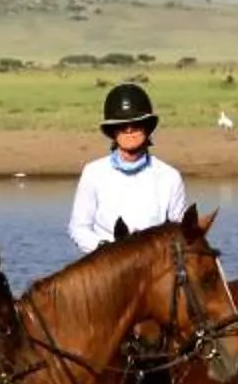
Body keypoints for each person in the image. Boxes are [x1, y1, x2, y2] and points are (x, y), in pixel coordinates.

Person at [67, 81, 191, 254]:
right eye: (122, 125)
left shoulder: (169, 177)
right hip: (107, 262)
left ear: (147, 128)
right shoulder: (93, 173)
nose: (129, 130)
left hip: (153, 263)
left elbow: (181, 232)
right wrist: (107, 250)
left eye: (136, 124)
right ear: (113, 131)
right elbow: (78, 228)